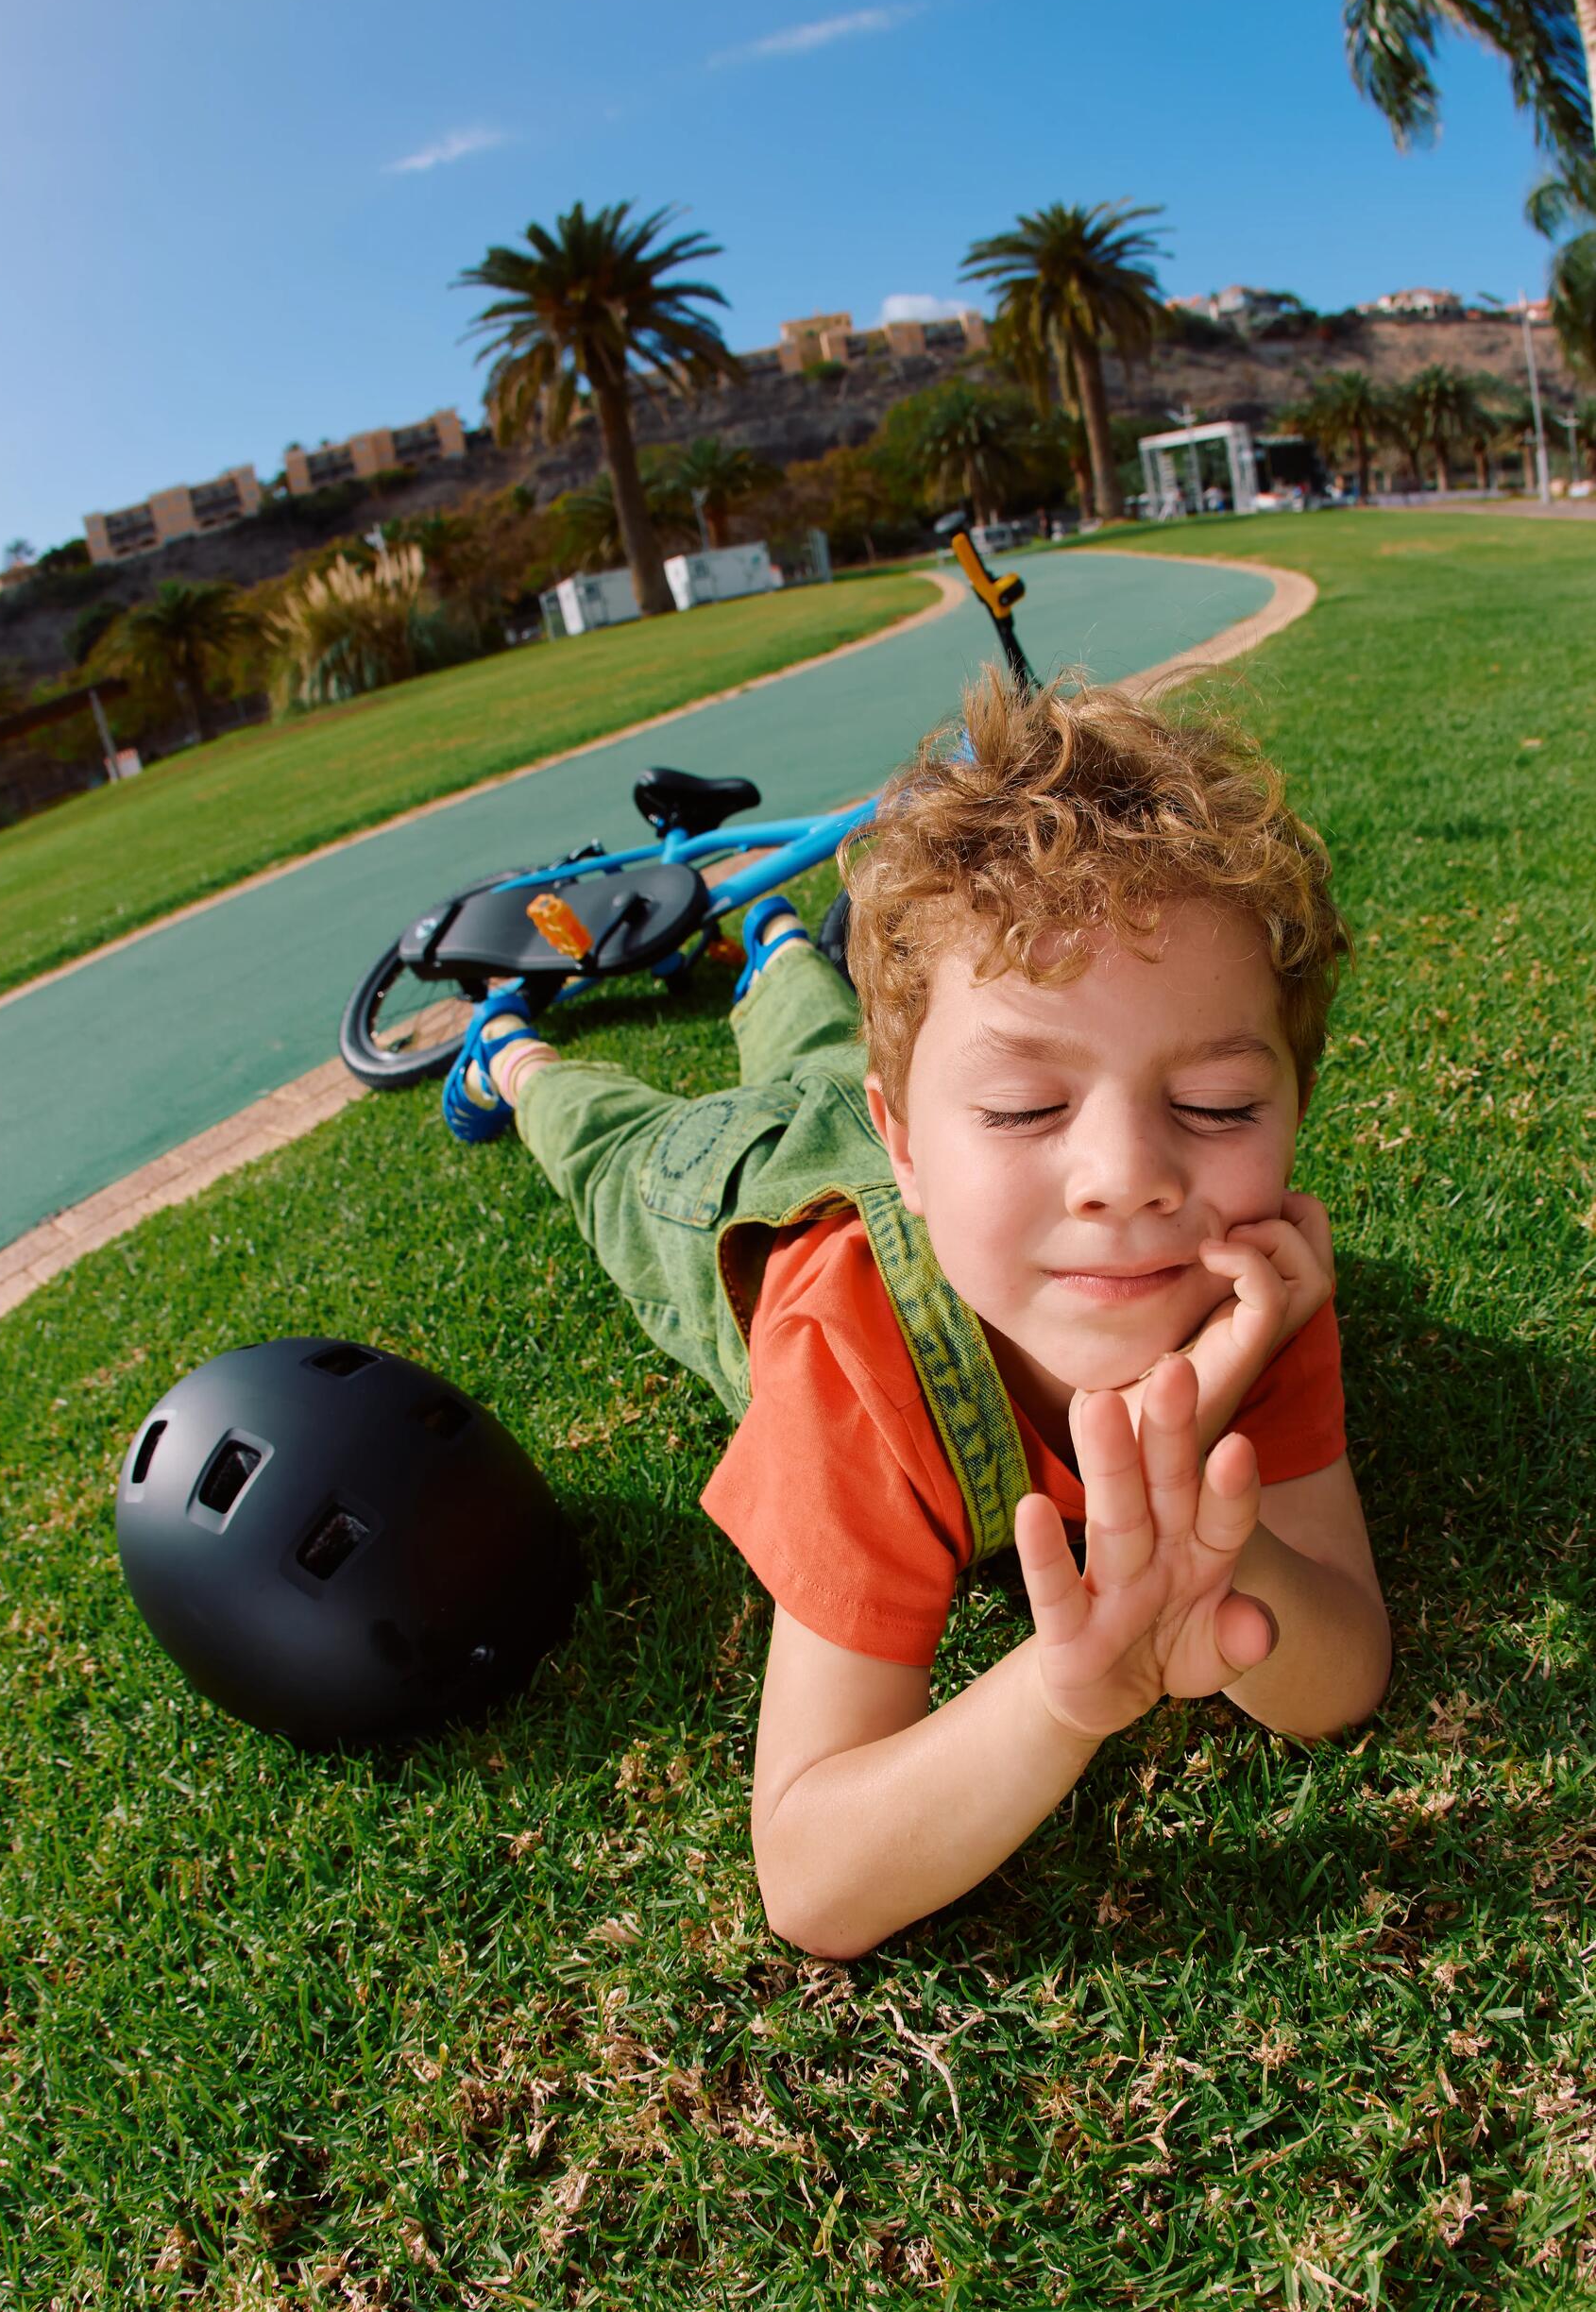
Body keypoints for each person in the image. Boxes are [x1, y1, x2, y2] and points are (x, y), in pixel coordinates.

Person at [440, 672, 1392, 1959]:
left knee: (826, 1033)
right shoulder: (856, 1356)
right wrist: (1058, 1697)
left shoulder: (1244, 1286)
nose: (1127, 1174)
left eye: (1219, 1104)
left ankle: (774, 945)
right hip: (744, 1184)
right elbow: (812, 1877)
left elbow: (1344, 1672)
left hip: (897, 1109)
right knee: (615, 1147)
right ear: (911, 1148)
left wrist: (1216, 1545)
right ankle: (517, 1055)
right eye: (1026, 1108)